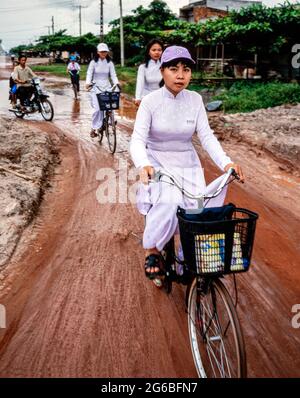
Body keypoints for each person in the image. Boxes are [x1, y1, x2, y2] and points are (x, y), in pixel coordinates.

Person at [130, 45, 244, 284]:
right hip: (158, 162)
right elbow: (138, 140)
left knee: (200, 208)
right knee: (170, 201)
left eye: (186, 69)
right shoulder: (150, 102)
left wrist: (226, 163)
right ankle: (152, 250)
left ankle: (188, 255)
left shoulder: (195, 100)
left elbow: (207, 136)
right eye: (174, 69)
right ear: (162, 71)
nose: (181, 75)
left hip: (187, 163)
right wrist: (143, 164)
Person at [85, 43, 119, 138]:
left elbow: (113, 75)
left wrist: (117, 83)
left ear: (107, 52)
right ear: (98, 52)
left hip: (107, 86)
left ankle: (109, 121)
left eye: (105, 51)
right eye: (102, 51)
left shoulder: (109, 63)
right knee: (97, 109)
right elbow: (89, 73)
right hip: (96, 87)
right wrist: (88, 83)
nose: (103, 53)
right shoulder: (93, 62)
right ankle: (94, 128)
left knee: (110, 105)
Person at [134, 39, 163, 107]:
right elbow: (140, 83)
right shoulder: (143, 67)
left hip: (161, 98)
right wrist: (138, 98)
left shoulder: (165, 66)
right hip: (147, 98)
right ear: (149, 52)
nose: (157, 52)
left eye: (159, 50)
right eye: (154, 50)